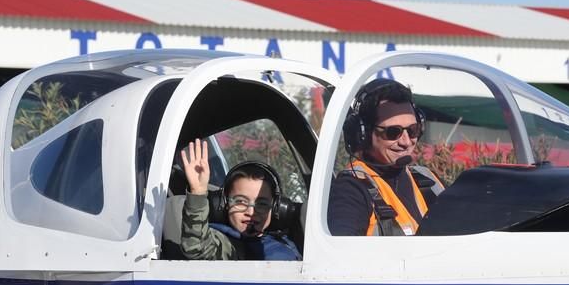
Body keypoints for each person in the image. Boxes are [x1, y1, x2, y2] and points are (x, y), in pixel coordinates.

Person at [328, 78, 443, 236]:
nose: (406, 141)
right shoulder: (350, 190)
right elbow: (339, 253)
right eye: (393, 132)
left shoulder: (429, 180)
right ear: (364, 134)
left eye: (412, 130)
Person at [179, 138, 301, 260]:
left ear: (275, 208)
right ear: (224, 203)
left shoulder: (285, 241)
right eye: (241, 202)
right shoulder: (227, 245)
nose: (251, 212)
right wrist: (198, 192)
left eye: (262, 204)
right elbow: (196, 247)